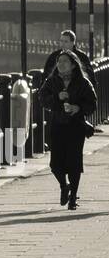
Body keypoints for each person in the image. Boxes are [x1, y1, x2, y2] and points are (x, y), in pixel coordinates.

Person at [37, 49, 96, 211]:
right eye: (59, 61)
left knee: (74, 163)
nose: (60, 64)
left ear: (73, 66)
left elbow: (92, 103)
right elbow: (42, 98)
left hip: (76, 126)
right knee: (55, 164)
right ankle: (64, 186)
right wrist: (57, 98)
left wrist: (77, 108)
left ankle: (73, 198)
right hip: (57, 125)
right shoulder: (52, 81)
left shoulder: (83, 83)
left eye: (64, 62)